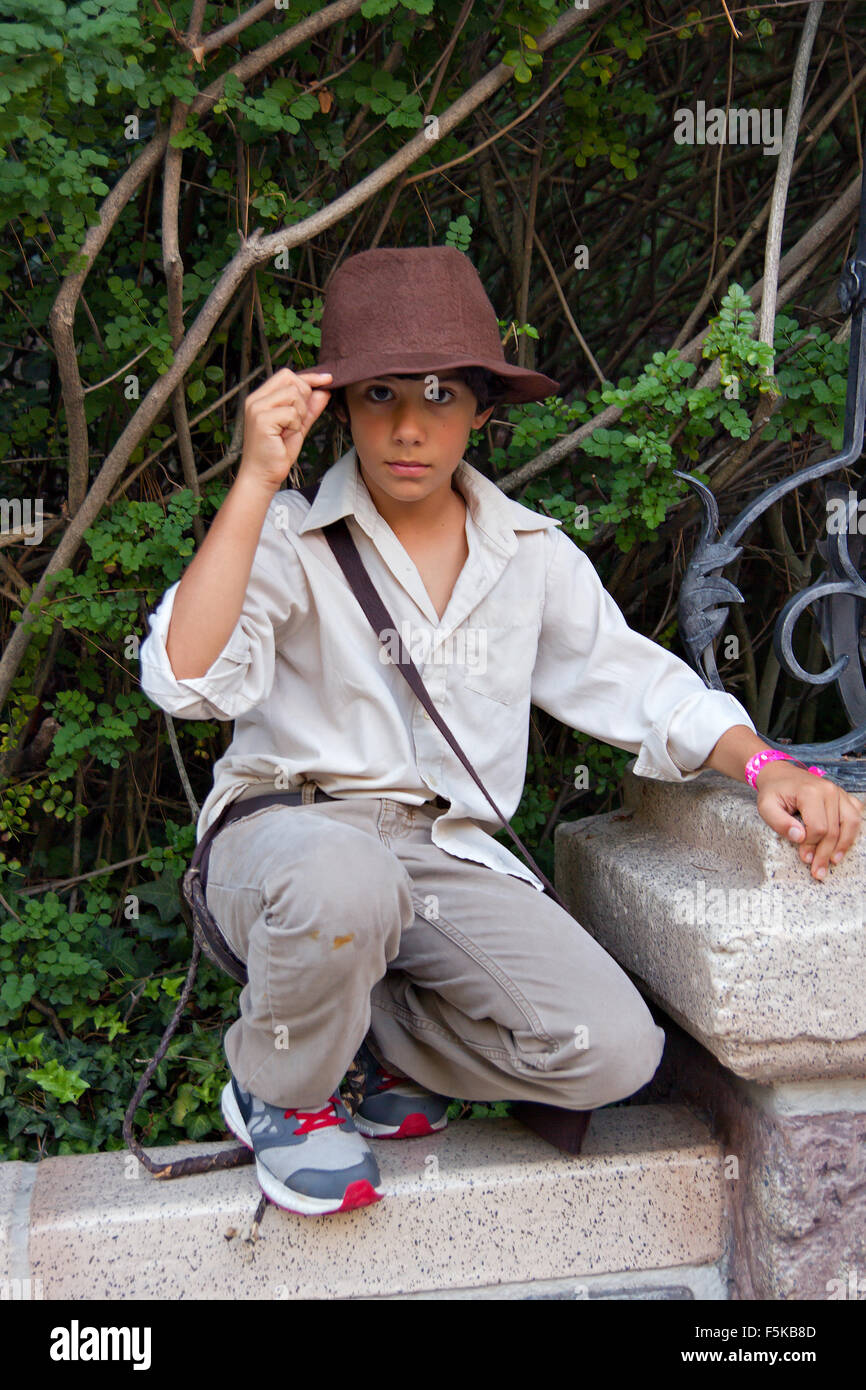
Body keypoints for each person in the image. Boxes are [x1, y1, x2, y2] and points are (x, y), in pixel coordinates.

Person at [138, 246, 863, 1218]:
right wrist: (251, 485)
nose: (405, 425)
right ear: (339, 409)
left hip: (440, 855)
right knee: (342, 878)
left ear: (481, 407)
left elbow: (639, 683)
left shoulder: (528, 552)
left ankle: (373, 1036)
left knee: (611, 1046)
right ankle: (278, 1089)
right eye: (379, 394)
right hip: (288, 838)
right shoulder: (284, 536)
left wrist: (764, 762)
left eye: (437, 394)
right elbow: (186, 683)